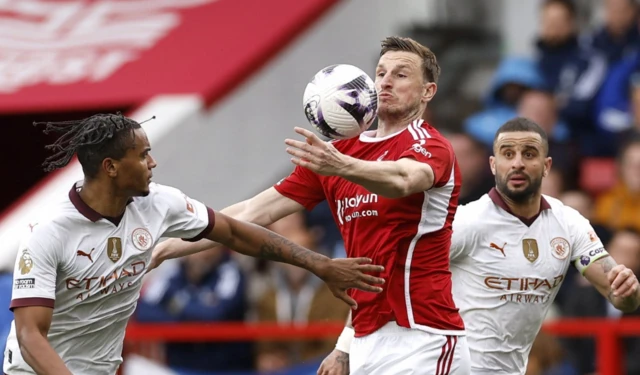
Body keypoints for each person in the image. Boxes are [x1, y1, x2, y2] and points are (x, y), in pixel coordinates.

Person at [152, 36, 469, 374]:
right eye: (380, 72)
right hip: (365, 338)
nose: (386, 81)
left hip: (424, 336)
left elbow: (404, 179)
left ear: (427, 92)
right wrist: (166, 248)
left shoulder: (430, 145)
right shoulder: (339, 154)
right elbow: (248, 214)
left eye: (402, 74)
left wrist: (342, 167)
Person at [3, 113, 385, 375]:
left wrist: (319, 265)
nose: (153, 163)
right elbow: (29, 334)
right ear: (110, 167)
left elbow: (236, 232)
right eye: (143, 154)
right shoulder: (48, 233)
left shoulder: (160, 203)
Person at [330, 117, 640, 374]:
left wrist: (628, 290)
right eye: (507, 154)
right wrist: (345, 348)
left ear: (546, 166)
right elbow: (383, 275)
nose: (517, 163)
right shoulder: (466, 222)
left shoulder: (569, 223)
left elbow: (619, 296)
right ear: (493, 164)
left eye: (529, 154)